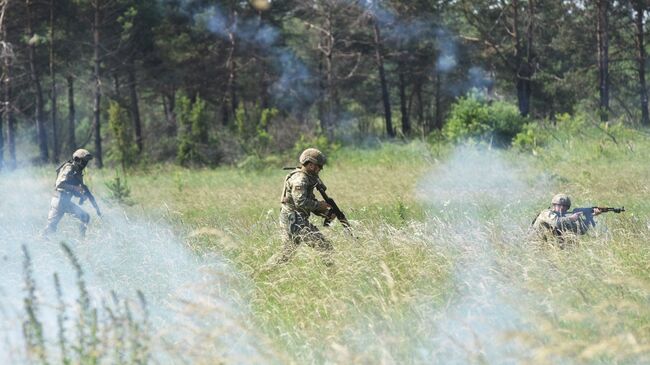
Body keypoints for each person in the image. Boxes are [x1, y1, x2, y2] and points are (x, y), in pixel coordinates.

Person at [265, 148, 334, 268]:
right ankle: (333, 275)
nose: (320, 169)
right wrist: (319, 205)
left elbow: (307, 201)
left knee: (286, 254)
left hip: (295, 218)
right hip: (294, 219)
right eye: (319, 166)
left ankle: (259, 274)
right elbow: (300, 202)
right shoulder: (300, 179)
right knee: (324, 246)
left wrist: (324, 212)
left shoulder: (307, 177)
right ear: (311, 165)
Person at [43, 149, 97, 237]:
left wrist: (81, 195)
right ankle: (41, 242)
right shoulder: (69, 168)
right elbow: (59, 184)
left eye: (86, 162)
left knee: (85, 217)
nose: (85, 164)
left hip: (65, 202)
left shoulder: (76, 170)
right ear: (77, 159)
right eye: (84, 161)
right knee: (50, 228)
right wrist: (75, 188)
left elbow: (72, 189)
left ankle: (81, 241)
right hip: (59, 201)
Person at [532, 193, 602, 246]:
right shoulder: (546, 213)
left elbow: (581, 231)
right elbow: (556, 222)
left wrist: (590, 217)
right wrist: (571, 218)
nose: (562, 208)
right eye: (559, 205)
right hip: (535, 245)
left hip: (549, 248)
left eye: (565, 206)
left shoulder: (565, 219)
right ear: (553, 205)